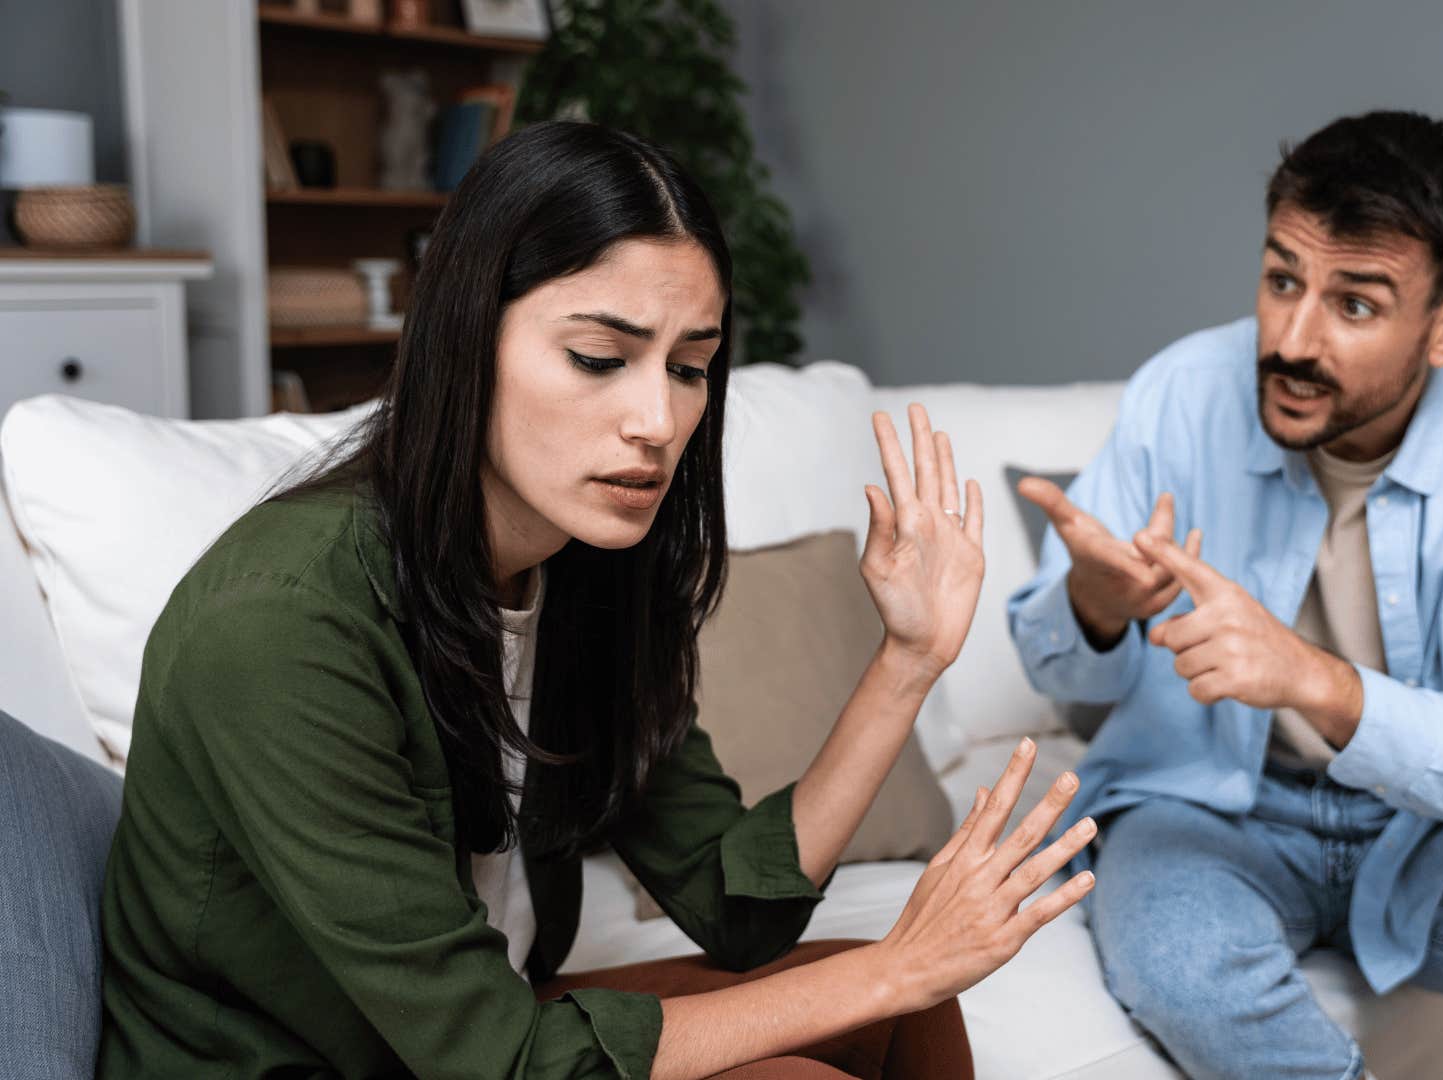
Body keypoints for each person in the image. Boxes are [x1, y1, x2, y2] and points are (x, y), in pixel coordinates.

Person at [96, 121, 1098, 1080]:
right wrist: (897, 960)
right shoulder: (282, 623)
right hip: (333, 1064)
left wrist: (908, 660)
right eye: (598, 358)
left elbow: (733, 903)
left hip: (489, 1033)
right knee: (872, 1001)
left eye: (692, 368)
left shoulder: (586, 569)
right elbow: (497, 1062)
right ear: (465, 335)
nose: (658, 420)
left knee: (906, 1009)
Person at [1009, 111, 1443, 1079]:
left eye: (1358, 305)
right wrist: (1094, 599)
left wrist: (1318, 683)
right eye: (1282, 279)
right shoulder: (1181, 393)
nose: (1293, 340)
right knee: (1185, 969)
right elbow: (1049, 660)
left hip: (1440, 828)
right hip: (1212, 804)